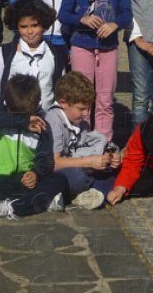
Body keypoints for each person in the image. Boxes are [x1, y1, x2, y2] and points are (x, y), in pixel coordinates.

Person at [58, 0, 132, 140]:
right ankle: (81, 140)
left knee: (105, 100)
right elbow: (64, 14)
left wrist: (115, 24)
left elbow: (127, 12)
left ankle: (103, 142)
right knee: (82, 99)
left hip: (108, 48)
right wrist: (82, 19)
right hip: (82, 46)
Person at [0, 75, 71, 219]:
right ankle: (41, 202)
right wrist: (23, 121)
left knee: (60, 180)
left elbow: (45, 158)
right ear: (7, 104)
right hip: (0, 179)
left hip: (26, 180)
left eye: (27, 114)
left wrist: (35, 173)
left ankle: (9, 207)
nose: (24, 117)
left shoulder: (42, 124)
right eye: (17, 114)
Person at [46, 71, 120, 209]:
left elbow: (88, 144)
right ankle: (80, 194)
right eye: (81, 109)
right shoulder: (54, 120)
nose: (86, 113)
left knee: (113, 172)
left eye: (88, 108)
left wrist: (110, 156)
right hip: (58, 172)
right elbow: (54, 164)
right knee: (77, 177)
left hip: (79, 165)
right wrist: (90, 162)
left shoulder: (79, 121)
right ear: (63, 103)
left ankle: (88, 193)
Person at [0, 0, 66, 110]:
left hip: (46, 118)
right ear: (16, 26)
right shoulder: (5, 53)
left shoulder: (56, 55)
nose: (30, 32)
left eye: (35, 25)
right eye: (23, 27)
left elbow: (61, 92)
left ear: (44, 24)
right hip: (10, 118)